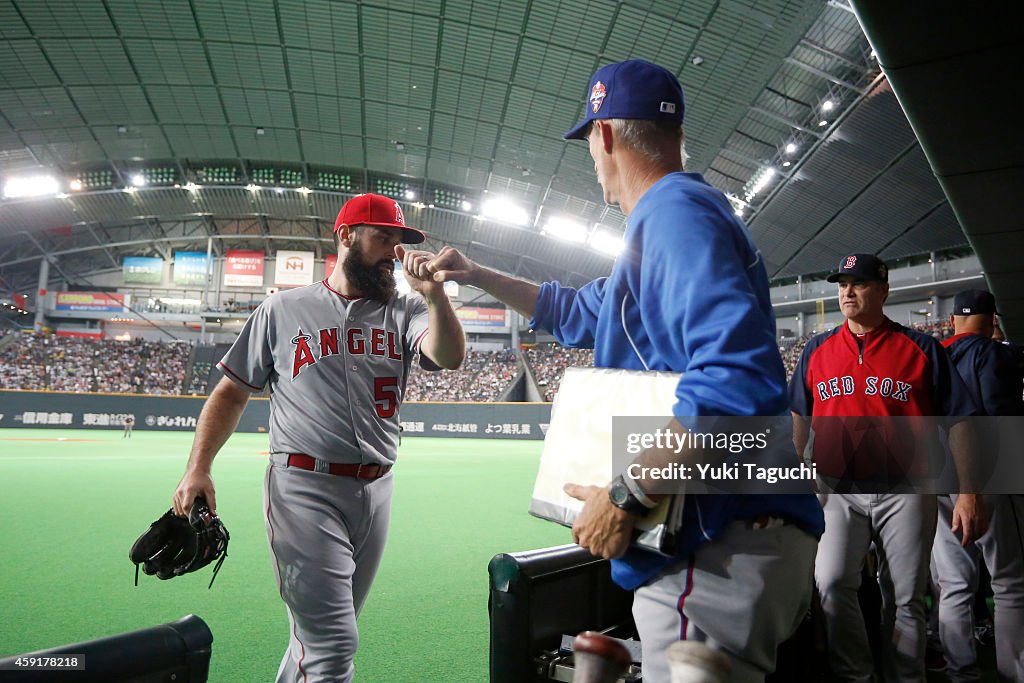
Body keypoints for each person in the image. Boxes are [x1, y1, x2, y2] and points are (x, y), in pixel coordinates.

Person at [428, 58, 824, 683]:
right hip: (734, 532)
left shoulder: (672, 213)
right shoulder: (669, 218)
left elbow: (735, 378)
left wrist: (626, 493)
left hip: (714, 542)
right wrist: (477, 275)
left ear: (605, 134)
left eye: (589, 138)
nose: (591, 154)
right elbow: (577, 312)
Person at [171, 193, 465, 682]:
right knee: (332, 642)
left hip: (377, 490)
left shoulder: (408, 308)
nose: (394, 250)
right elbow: (230, 393)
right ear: (345, 235)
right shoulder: (283, 309)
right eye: (383, 237)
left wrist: (435, 295)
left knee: (320, 638)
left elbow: (449, 356)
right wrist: (197, 468)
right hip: (303, 488)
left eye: (400, 240)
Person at [788, 254, 987, 682]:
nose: (847, 292)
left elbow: (960, 421)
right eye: (842, 283)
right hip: (837, 487)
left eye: (858, 283)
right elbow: (798, 417)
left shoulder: (922, 347)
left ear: (882, 291)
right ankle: (856, 676)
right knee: (832, 581)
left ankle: (906, 678)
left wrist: (969, 491)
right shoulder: (817, 350)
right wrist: (793, 474)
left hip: (907, 487)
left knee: (905, 596)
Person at [931, 289, 1024, 681]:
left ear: (953, 320)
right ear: (990, 321)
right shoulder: (992, 352)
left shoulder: (930, 354)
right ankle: (1014, 672)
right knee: (1010, 582)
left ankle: (961, 673)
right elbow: (1002, 415)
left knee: (953, 583)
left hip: (935, 474)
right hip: (987, 470)